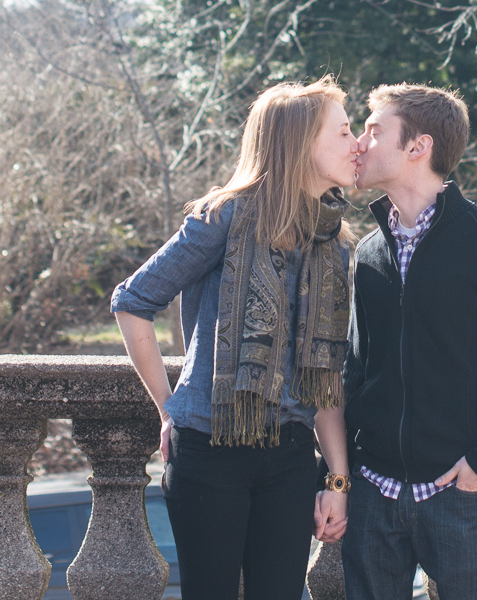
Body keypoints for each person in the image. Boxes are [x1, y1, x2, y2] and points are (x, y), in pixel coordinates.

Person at [111, 79, 363, 600]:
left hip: (291, 454)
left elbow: (325, 374)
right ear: (300, 144)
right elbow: (133, 302)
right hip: (210, 448)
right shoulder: (222, 218)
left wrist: (336, 479)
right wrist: (168, 408)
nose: (357, 141)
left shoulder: (331, 241)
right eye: (343, 131)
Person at [342, 83, 477, 600]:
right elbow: (355, 370)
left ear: (418, 147)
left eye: (374, 131)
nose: (359, 142)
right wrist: (336, 475)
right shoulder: (371, 252)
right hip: (374, 492)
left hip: (458, 496)